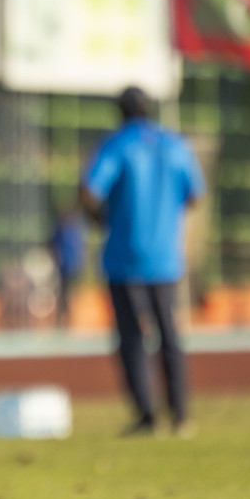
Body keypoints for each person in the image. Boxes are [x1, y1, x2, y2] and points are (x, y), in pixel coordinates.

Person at [80, 87, 205, 437]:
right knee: (170, 334)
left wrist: (102, 219)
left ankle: (147, 416)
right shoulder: (175, 145)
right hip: (166, 258)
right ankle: (181, 415)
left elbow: (90, 191)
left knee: (132, 338)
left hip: (125, 257)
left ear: (120, 112)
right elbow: (195, 194)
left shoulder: (118, 145)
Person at [50, 206, 87, 325]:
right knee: (62, 294)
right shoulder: (62, 231)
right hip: (63, 268)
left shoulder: (70, 232)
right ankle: (63, 318)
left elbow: (77, 250)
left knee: (67, 294)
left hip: (70, 268)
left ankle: (66, 318)